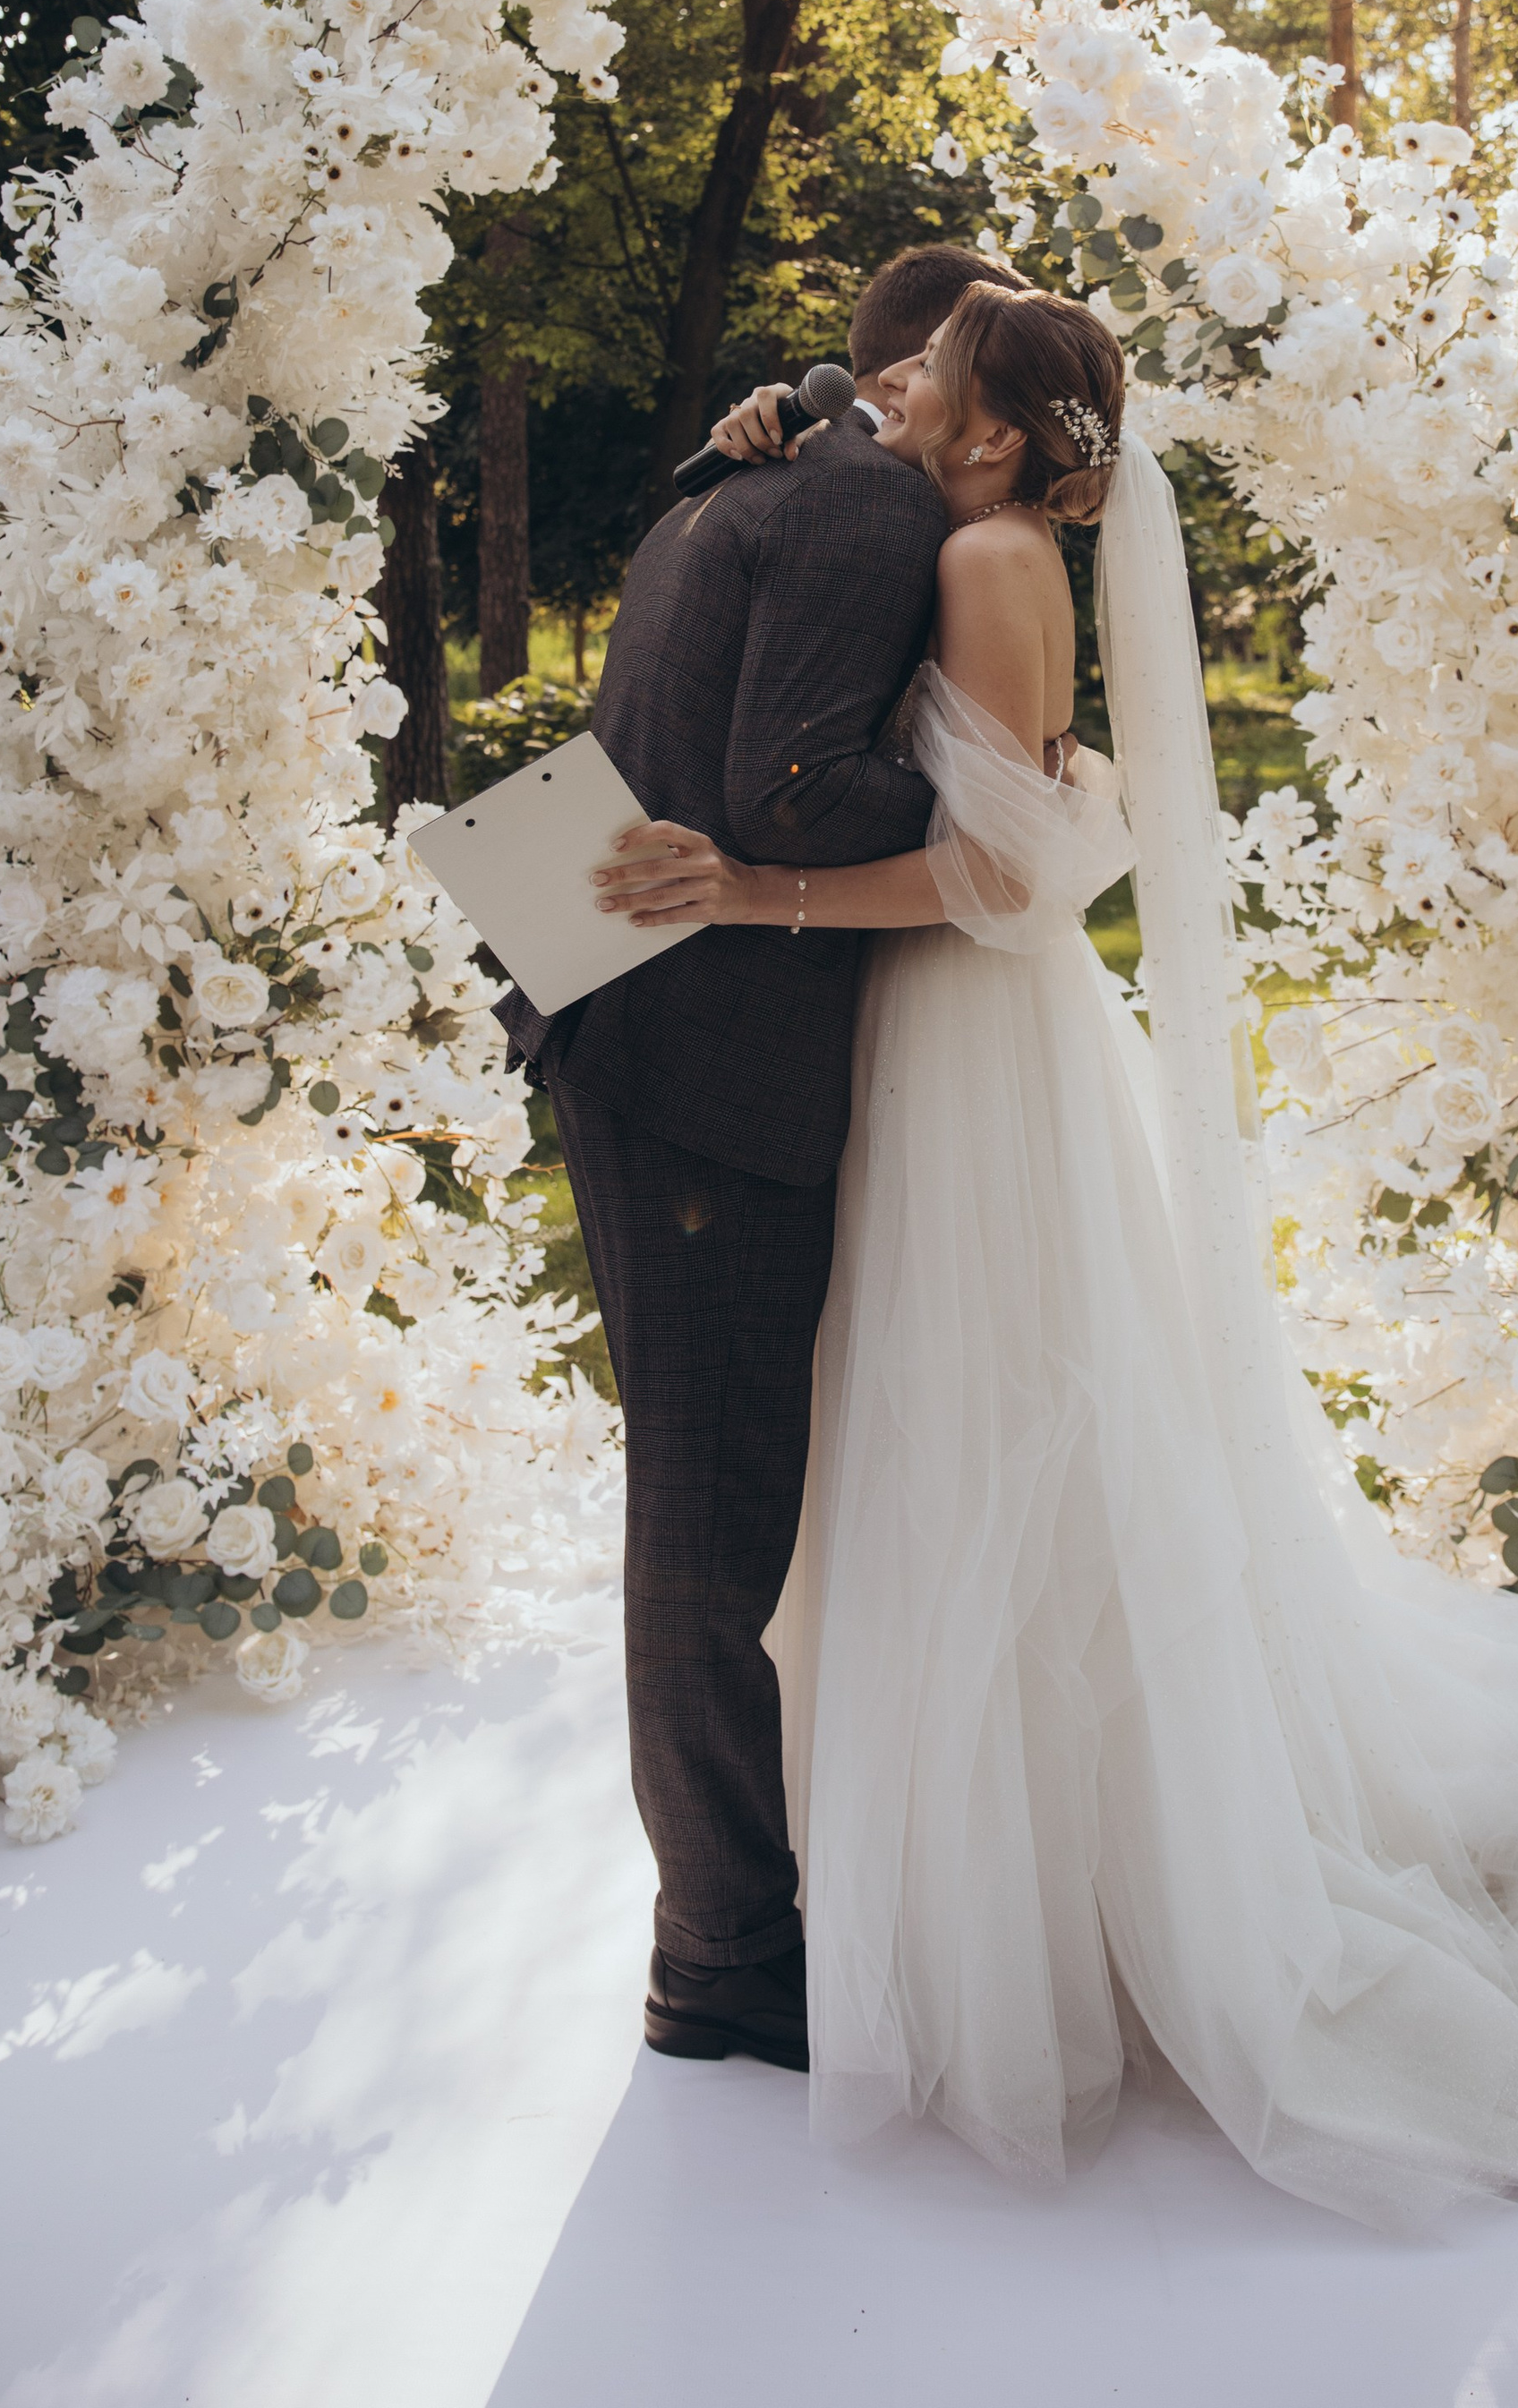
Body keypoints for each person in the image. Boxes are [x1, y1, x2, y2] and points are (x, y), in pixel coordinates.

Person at [592, 280, 1518, 2231]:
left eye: (932, 364)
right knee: (931, 1436)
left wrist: (789, 866)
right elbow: (1010, 806)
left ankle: (1037, 1879)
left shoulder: (991, 553)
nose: (895, 375)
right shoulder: (917, 512)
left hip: (958, 1023)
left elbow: (1001, 870)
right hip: (891, 1022)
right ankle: (916, 1872)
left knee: (1013, 1422)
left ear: (1004, 433)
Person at [497, 242, 1027, 2078]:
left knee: (705, 1491)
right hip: (701, 1047)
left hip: (616, 1002)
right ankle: (719, 1949)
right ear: (933, 363)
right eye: (991, 348)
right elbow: (783, 796)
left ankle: (724, 1911)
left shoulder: (774, 458)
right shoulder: (865, 502)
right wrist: (1005, 792)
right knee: (709, 1519)